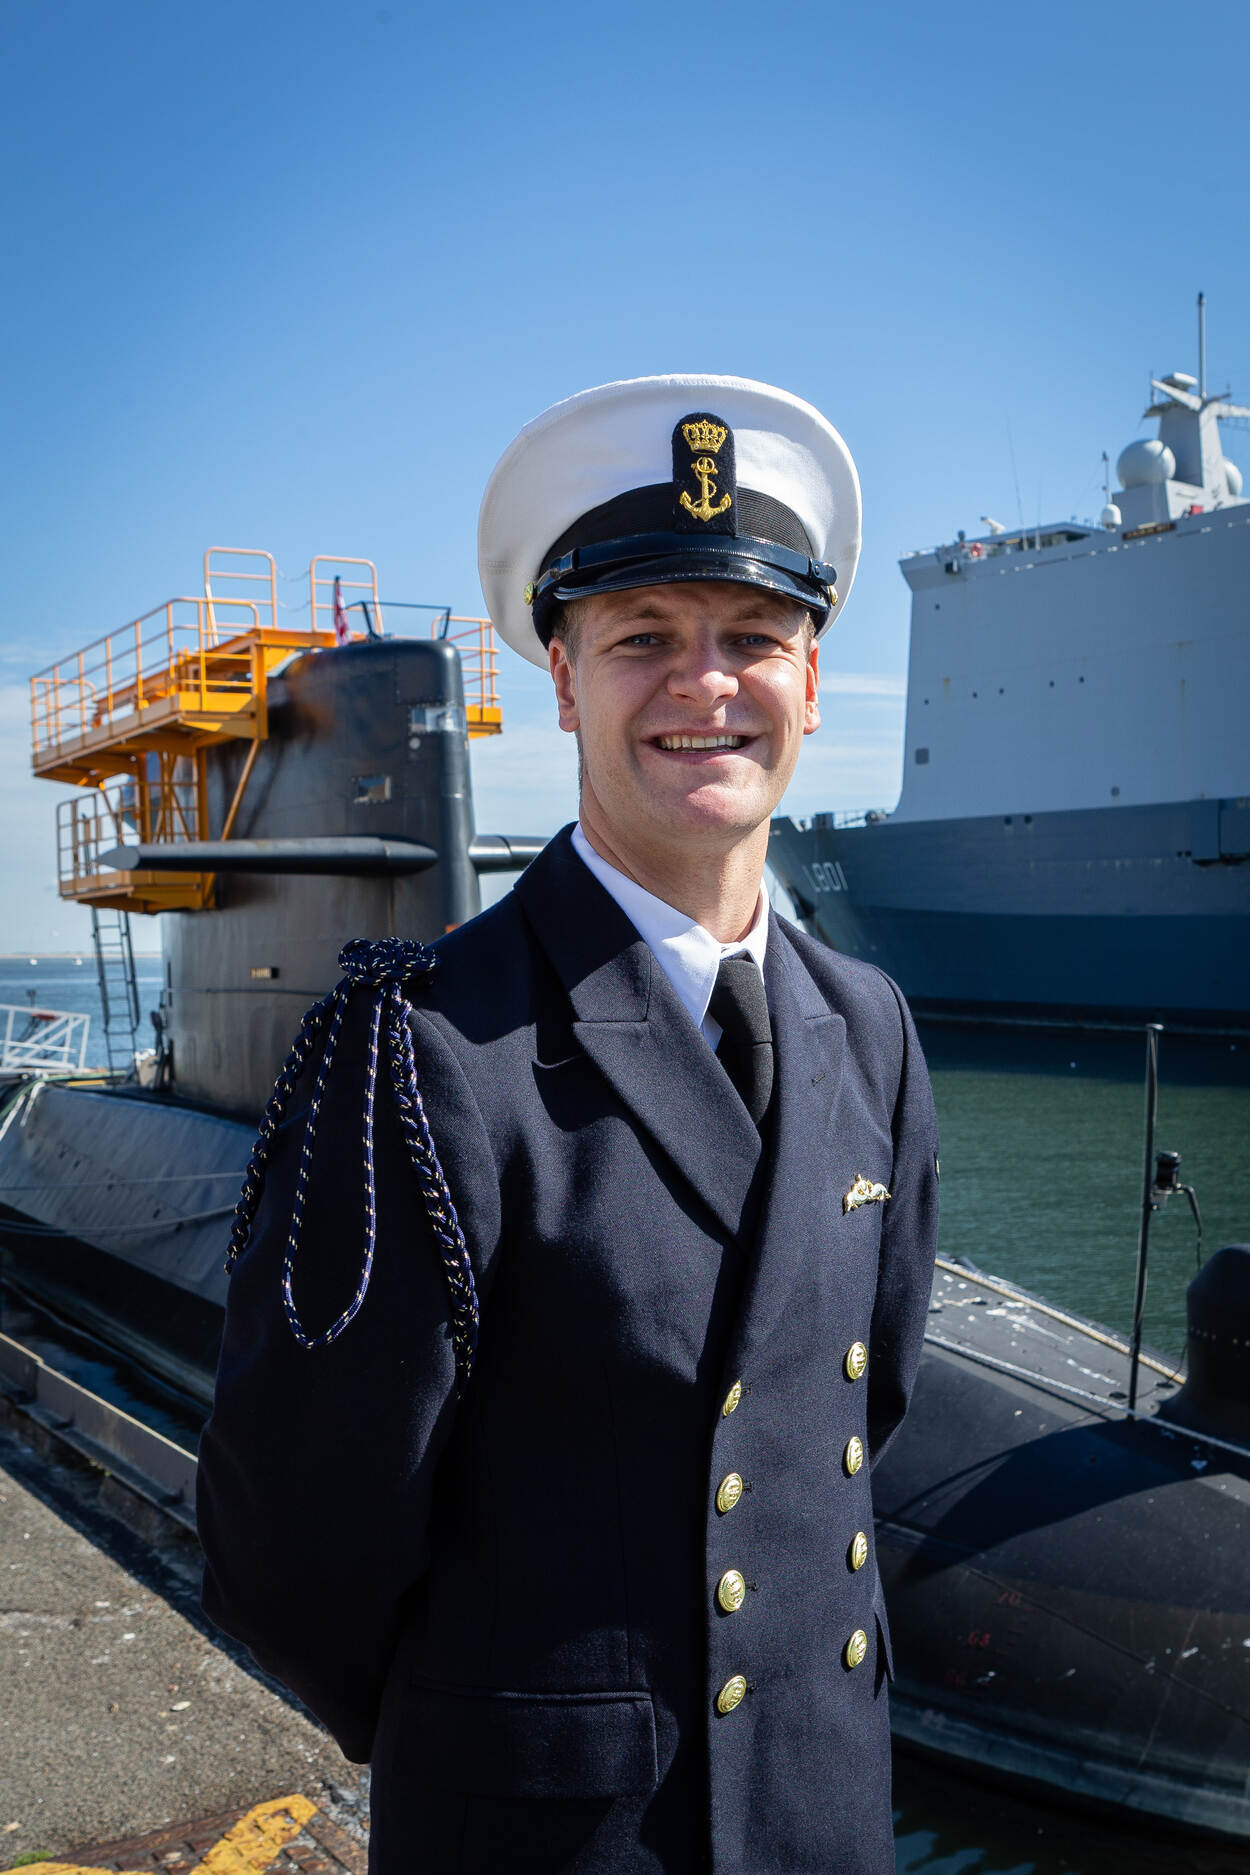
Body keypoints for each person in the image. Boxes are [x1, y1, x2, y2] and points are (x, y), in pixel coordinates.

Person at [197, 374, 940, 1874]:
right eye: (642, 639)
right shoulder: (428, 1049)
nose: (705, 685)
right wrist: (484, 1736)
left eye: (752, 638)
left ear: (810, 680)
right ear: (561, 680)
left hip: (821, 1813)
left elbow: (862, 1414)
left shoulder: (869, 1026)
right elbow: (297, 1538)